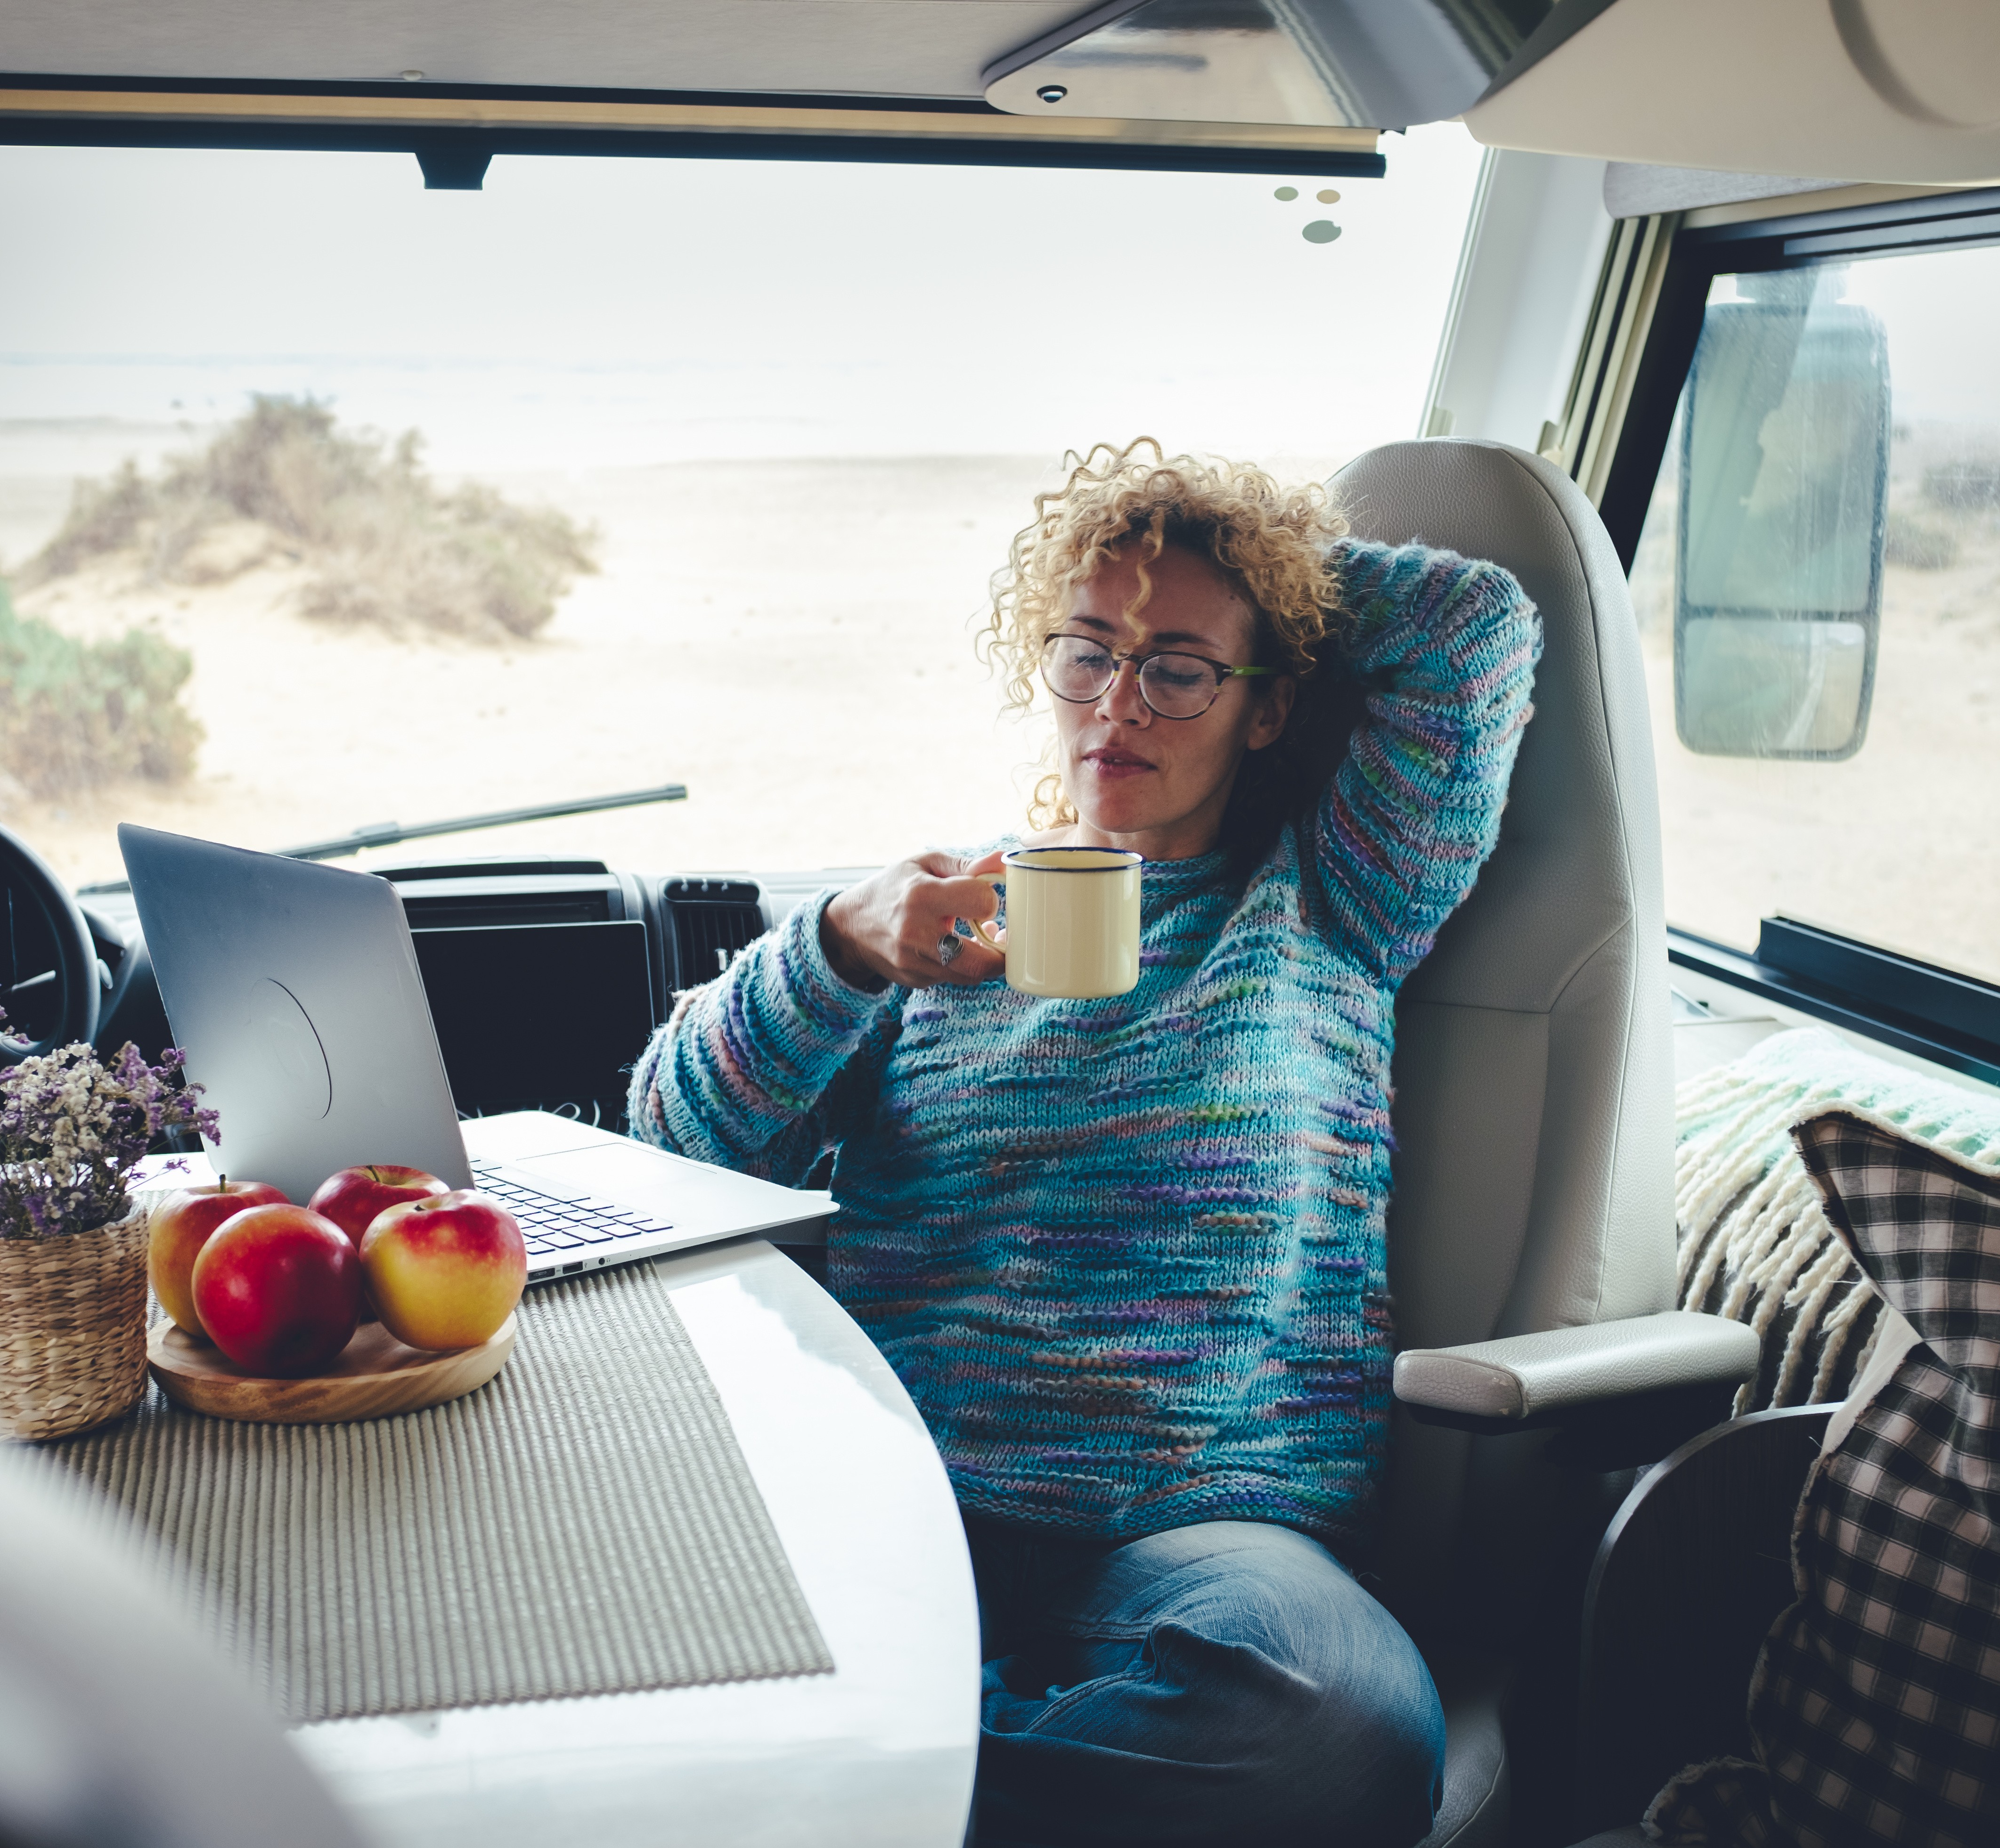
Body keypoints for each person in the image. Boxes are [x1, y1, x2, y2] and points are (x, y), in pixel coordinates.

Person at [629, 438, 1540, 1847]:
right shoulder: (941, 925)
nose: (1117, 702)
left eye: (1176, 668)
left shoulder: (1336, 897)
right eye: (1085, 651)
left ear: (1264, 707)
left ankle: (860, 1782)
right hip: (906, 1499)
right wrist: (837, 946)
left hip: (1198, 1529)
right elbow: (674, 1132)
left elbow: (1473, 628)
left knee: (1341, 1727)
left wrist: (1259, 574)